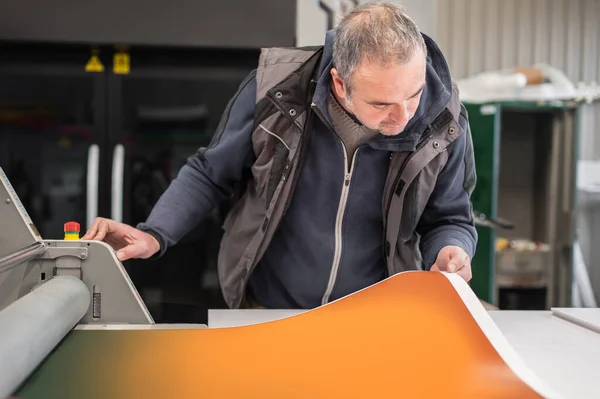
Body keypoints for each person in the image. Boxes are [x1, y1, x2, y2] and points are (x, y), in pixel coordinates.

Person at [84, 1, 478, 310]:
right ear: (340, 83)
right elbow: (210, 173)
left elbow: (450, 217)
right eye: (381, 103)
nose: (405, 115)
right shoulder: (277, 91)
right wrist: (156, 232)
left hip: (376, 314)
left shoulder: (444, 117)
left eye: (413, 94)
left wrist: (452, 249)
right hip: (268, 307)